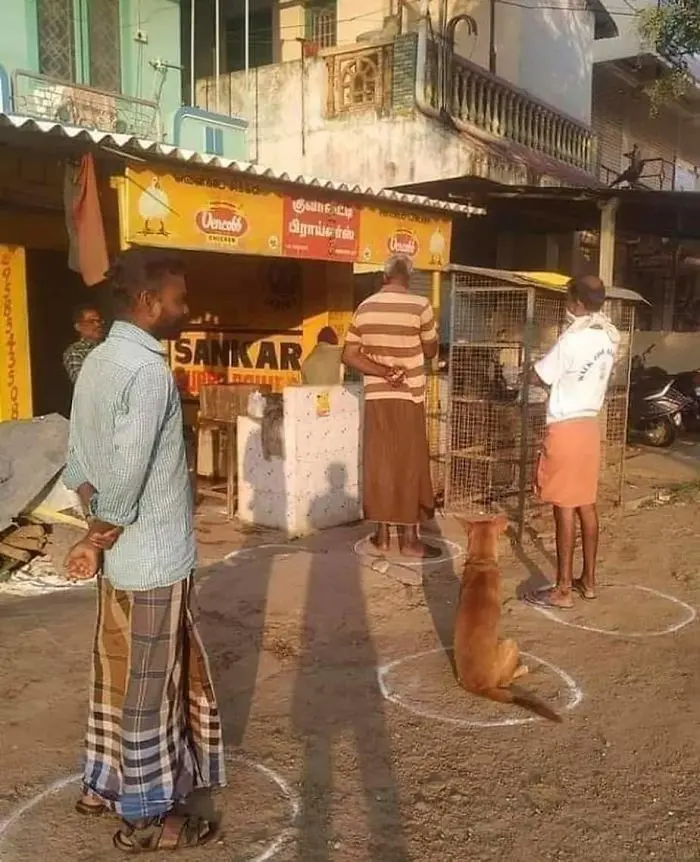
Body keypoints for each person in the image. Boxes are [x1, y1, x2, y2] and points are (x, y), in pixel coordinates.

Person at [62, 248, 225, 852]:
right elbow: (126, 481)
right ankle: (149, 813)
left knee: (117, 670)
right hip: (152, 560)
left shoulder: (100, 362)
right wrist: (95, 536)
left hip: (119, 561)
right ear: (148, 303)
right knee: (152, 688)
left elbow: (78, 462)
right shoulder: (150, 373)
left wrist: (94, 535)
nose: (185, 309)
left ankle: (99, 784)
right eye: (178, 300)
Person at [527, 274, 619, 609]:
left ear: (577, 302)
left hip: (565, 426)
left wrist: (529, 367)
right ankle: (588, 581)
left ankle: (563, 588)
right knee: (586, 504)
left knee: (564, 506)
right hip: (590, 426)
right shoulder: (609, 336)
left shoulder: (571, 339)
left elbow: (542, 374)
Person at [342, 254, 439, 558]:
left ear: (384, 276)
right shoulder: (420, 305)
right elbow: (431, 349)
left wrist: (383, 371)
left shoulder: (364, 307)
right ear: (408, 278)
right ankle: (410, 540)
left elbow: (349, 355)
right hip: (409, 396)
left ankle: (382, 536)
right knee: (409, 465)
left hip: (377, 397)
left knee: (380, 463)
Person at [62, 303, 104, 385]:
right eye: (91, 321)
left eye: (99, 321)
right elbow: (82, 383)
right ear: (78, 327)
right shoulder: (74, 351)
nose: (98, 325)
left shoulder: (110, 345)